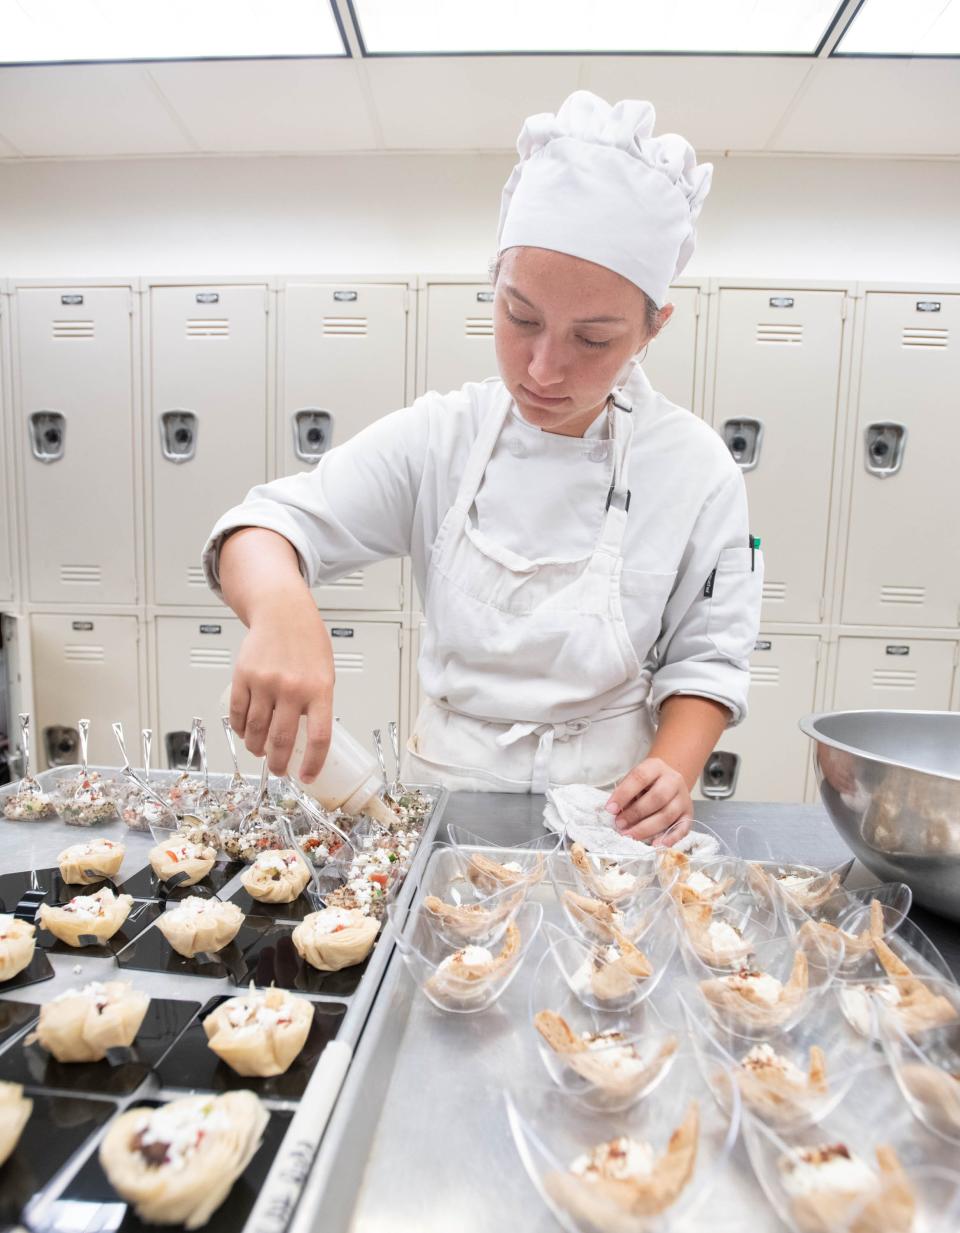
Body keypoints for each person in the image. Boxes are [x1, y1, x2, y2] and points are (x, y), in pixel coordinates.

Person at [202, 90, 763, 846]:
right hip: (443, 811)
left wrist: (673, 766)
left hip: (611, 817)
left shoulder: (696, 470)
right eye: (519, 316)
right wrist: (281, 607)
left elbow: (710, 654)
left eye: (592, 339)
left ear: (652, 327)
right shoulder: (443, 436)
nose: (542, 367)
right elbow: (262, 527)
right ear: (494, 278)